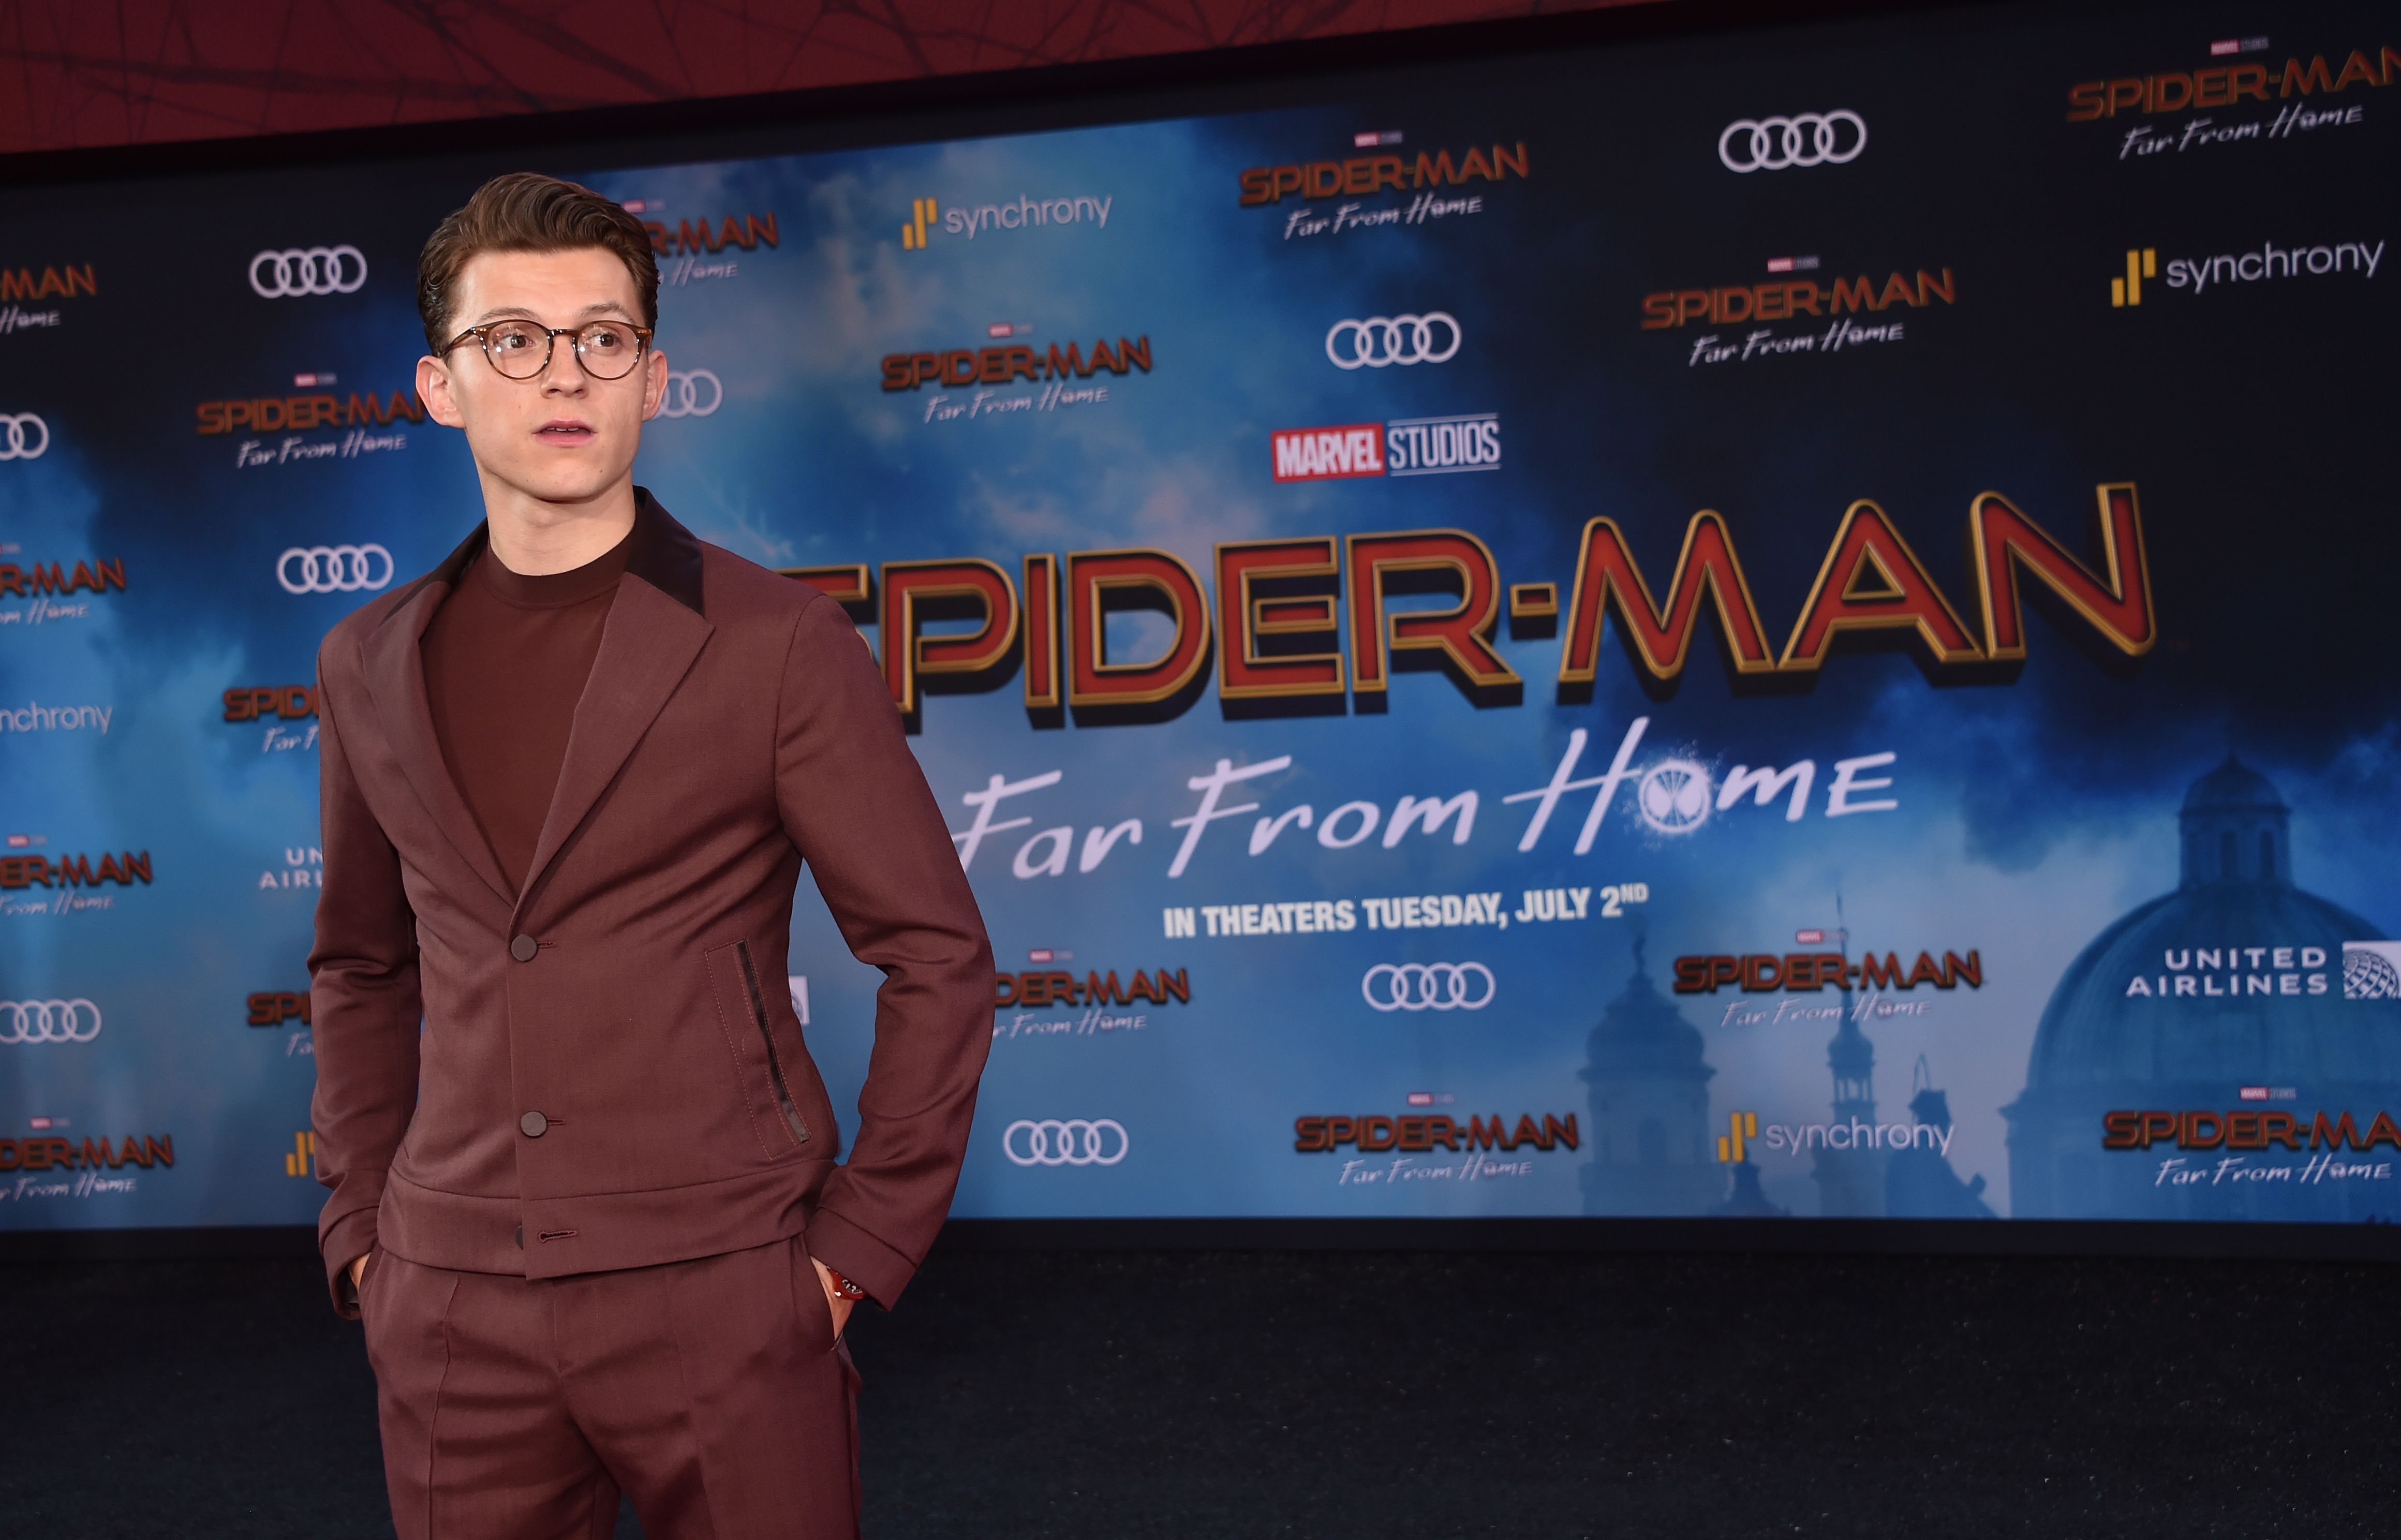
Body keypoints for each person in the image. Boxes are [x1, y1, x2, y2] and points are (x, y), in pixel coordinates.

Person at [307, 172, 994, 1539]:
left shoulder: (774, 644)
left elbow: (937, 953)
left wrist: (852, 1256)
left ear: (654, 379)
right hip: (448, 1304)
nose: (564, 373)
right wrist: (365, 1242)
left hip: (726, 1291)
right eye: (513, 339)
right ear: (441, 387)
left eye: (603, 339)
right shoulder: (363, 659)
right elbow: (360, 963)